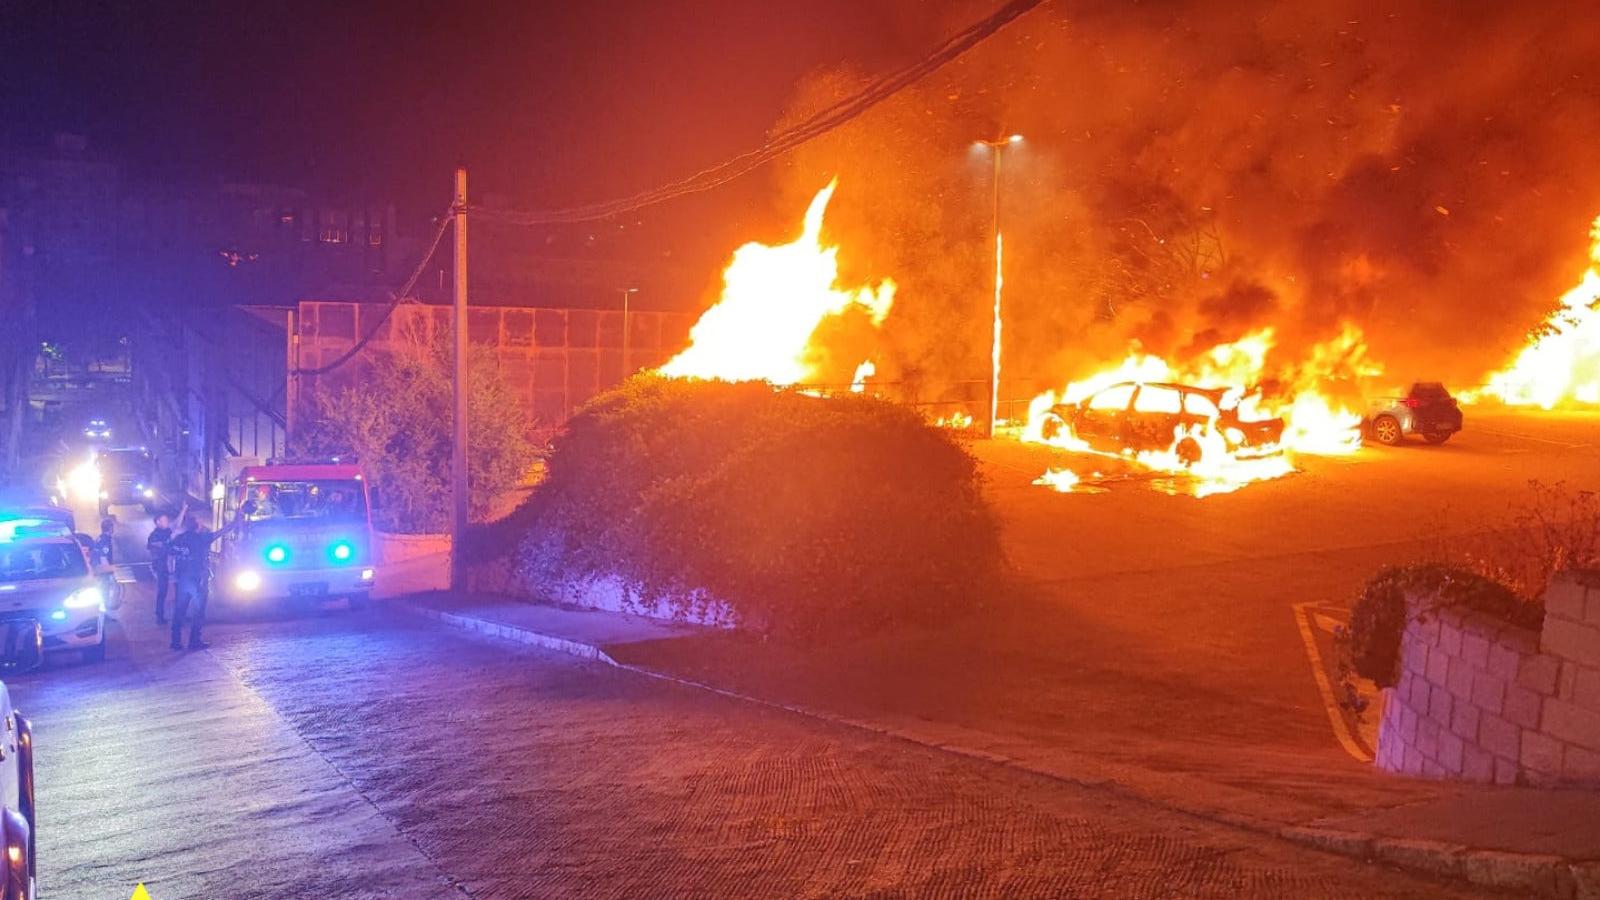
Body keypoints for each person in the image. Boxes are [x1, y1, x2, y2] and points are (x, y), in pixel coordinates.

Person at [167, 506, 246, 651]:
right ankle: (194, 641)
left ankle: (175, 642)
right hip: (197, 580)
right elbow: (221, 532)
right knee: (198, 611)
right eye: (200, 523)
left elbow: (169, 552)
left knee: (179, 611)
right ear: (197, 527)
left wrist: (173, 576)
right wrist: (236, 522)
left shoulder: (178, 539)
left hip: (182, 581)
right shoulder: (201, 538)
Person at [146, 510, 177, 625]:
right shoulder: (154, 536)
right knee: (162, 591)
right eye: (164, 520)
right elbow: (152, 547)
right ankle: (159, 615)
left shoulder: (166, 531)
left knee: (167, 590)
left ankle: (165, 614)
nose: (167, 522)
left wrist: (183, 510)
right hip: (160, 567)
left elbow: (176, 525)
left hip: (166, 566)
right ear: (158, 522)